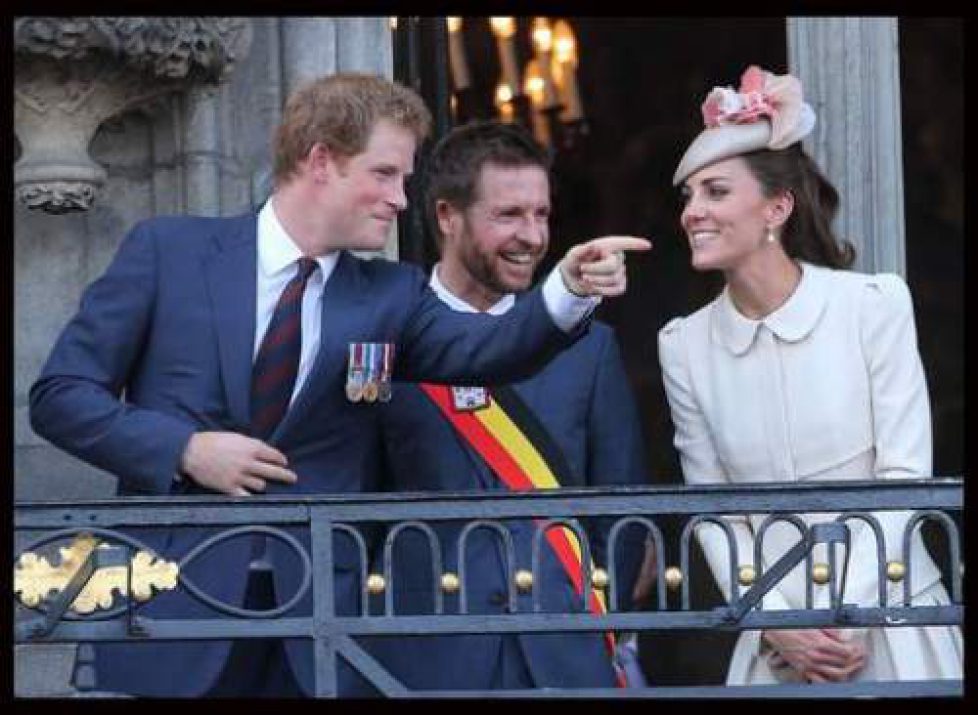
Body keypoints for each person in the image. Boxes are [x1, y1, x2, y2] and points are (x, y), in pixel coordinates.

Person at [28, 73, 650, 698]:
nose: (401, 200)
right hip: (171, 609)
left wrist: (567, 291)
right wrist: (185, 449)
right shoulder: (169, 252)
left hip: (321, 630)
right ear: (320, 160)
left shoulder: (390, 293)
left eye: (404, 179)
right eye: (385, 174)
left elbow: (491, 350)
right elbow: (62, 396)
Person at [658, 65, 963, 685]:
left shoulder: (873, 305)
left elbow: (903, 473)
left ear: (777, 207)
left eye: (715, 192)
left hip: (892, 620)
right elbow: (715, 510)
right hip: (776, 641)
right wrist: (777, 623)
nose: (693, 212)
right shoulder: (682, 345)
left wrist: (841, 615)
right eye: (688, 196)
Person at [367, 120, 650, 691]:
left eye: (541, 214)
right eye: (509, 215)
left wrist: (588, 620)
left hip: (565, 657)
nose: (532, 235)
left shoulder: (589, 348)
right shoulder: (383, 333)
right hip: (422, 663)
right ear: (448, 216)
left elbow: (621, 507)